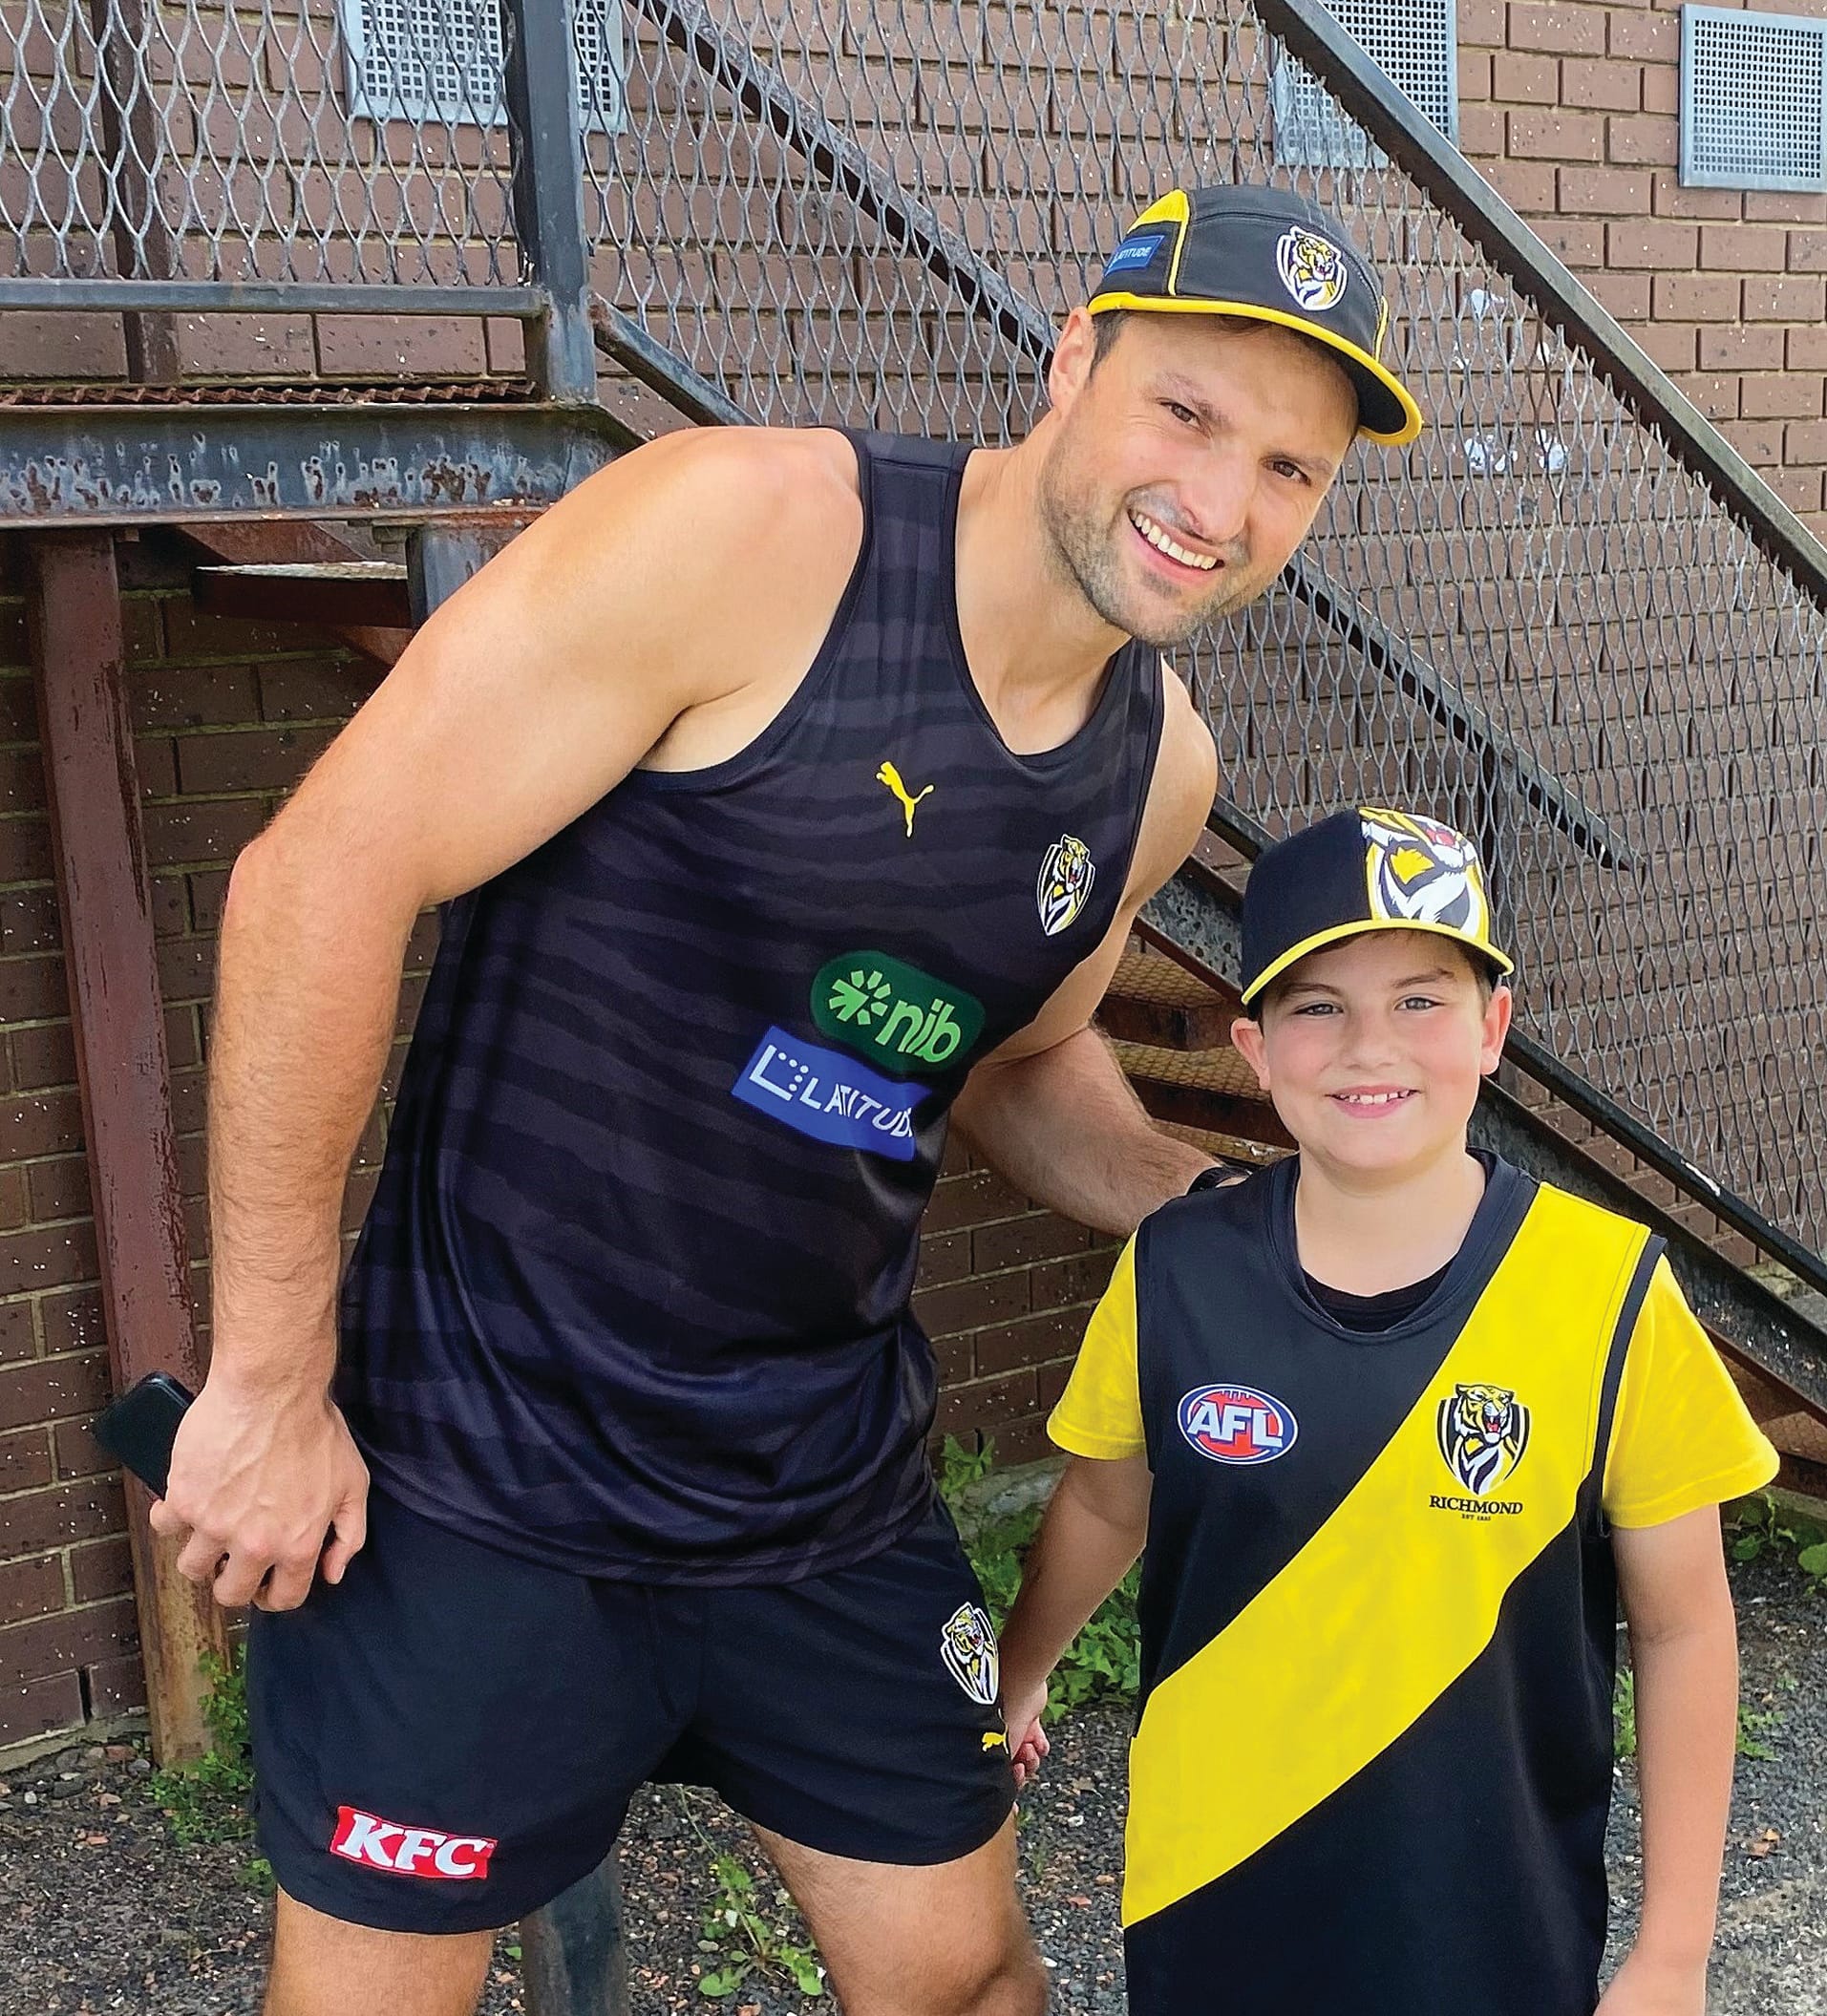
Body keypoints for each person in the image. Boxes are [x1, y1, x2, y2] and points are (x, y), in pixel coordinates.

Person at [151, 186, 1423, 2016]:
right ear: (1071, 361)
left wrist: (1209, 1204)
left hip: (815, 1490)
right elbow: (317, 881)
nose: (1220, 505)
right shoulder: (753, 534)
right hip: (482, 1474)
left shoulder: (1155, 764)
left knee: (969, 1982)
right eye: (1187, 414)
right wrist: (271, 1382)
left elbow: (1018, 1061)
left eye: (1290, 471)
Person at [998, 805, 1780, 2016]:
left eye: (1420, 998)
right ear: (1253, 1048)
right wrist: (1020, 1670)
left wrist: (1672, 1952)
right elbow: (1107, 1497)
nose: (1371, 1047)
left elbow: (1682, 1626)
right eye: (1318, 1006)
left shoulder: (1607, 1286)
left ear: (1493, 1029)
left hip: (1487, 1925)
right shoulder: (1172, 1272)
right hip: (1213, 1897)